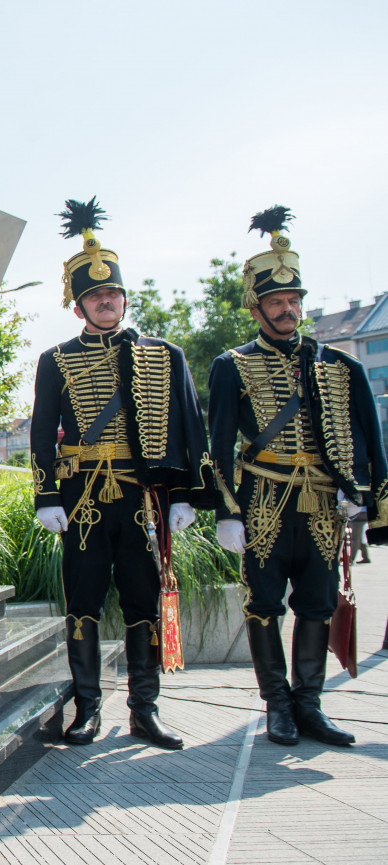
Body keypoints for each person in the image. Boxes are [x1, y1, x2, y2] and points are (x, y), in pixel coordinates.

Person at [31, 199, 215, 750]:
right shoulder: (56, 359)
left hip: (141, 497)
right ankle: (87, 708)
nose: (105, 302)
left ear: (124, 298)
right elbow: (43, 434)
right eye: (94, 296)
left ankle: (144, 709)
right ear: (78, 305)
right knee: (83, 601)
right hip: (83, 496)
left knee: (142, 600)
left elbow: (189, 426)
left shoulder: (164, 356)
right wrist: (45, 496)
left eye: (112, 294)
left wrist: (185, 493)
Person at [209, 206, 387, 747]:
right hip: (263, 495)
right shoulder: (231, 365)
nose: (288, 311)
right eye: (276, 302)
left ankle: (309, 704)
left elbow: (368, 438)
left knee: (318, 599)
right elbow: (217, 445)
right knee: (264, 603)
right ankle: (277, 706)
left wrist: (366, 498)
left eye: (294, 301)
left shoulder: (339, 364)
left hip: (323, 503)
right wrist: (226, 510)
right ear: (256, 307)